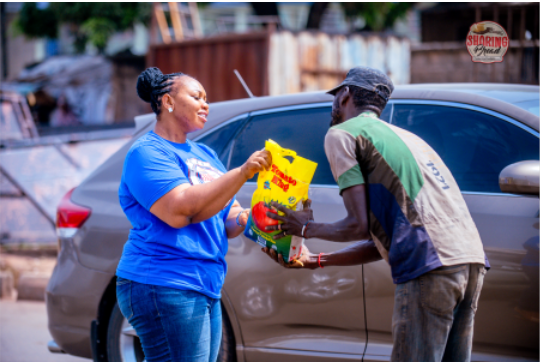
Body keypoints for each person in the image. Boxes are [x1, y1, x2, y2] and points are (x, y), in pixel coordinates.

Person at [263, 66, 488, 362]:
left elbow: (357, 225)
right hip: (470, 262)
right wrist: (315, 261)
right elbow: (385, 240)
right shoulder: (410, 139)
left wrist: (304, 228)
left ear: (344, 95)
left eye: (335, 97)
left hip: (429, 265)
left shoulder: (342, 134)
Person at [116, 67, 271, 362]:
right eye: (197, 96)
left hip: (204, 282)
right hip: (164, 280)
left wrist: (263, 215)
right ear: (167, 102)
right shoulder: (147, 153)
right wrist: (243, 172)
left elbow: (229, 217)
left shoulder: (205, 154)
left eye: (207, 99)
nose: (205, 105)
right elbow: (180, 211)